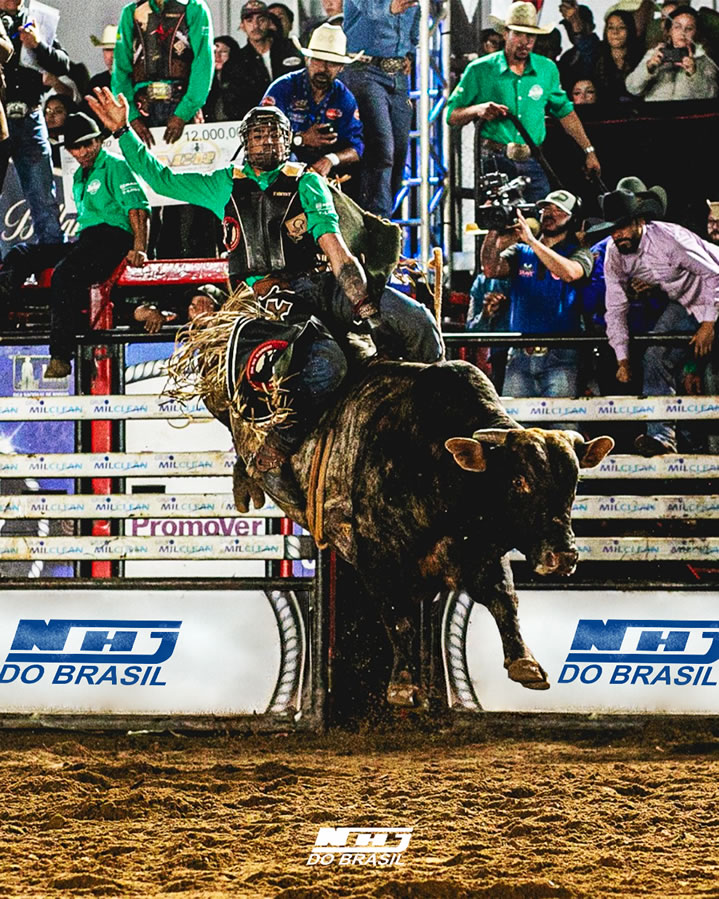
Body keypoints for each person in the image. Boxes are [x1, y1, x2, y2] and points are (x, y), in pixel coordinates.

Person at [87, 91, 443, 477]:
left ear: (287, 141)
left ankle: (436, 414)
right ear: (246, 142)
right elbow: (161, 178)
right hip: (270, 298)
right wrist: (123, 132)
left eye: (274, 134)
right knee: (328, 364)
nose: (266, 141)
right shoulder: (224, 185)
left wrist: (370, 313)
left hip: (322, 284)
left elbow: (337, 253)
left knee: (417, 319)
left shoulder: (307, 183)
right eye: (258, 135)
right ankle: (283, 439)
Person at [0, 113, 150, 376]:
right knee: (21, 254)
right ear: (69, 149)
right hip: (89, 240)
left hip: (114, 239)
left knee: (64, 274)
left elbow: (137, 208)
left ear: (99, 142)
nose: (83, 151)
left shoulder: (115, 165)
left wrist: (139, 247)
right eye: (76, 147)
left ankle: (60, 356)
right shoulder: (80, 175)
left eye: (88, 144)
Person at [591, 188, 719, 455]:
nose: (617, 235)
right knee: (655, 356)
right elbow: (615, 307)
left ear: (639, 222)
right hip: (686, 303)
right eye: (613, 229)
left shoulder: (670, 240)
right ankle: (662, 438)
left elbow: (714, 275)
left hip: (711, 295)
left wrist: (708, 323)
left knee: (691, 365)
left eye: (623, 227)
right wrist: (622, 358)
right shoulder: (615, 254)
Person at [446, 2, 601, 204]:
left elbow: (565, 112)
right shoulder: (480, 69)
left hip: (533, 158)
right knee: (499, 217)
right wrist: (478, 109)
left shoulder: (546, 69)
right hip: (494, 159)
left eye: (531, 36)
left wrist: (589, 151)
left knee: (540, 214)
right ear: (505, 33)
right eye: (518, 34)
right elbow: (451, 115)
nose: (525, 42)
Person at [480, 189, 593, 429]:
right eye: (546, 209)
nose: (550, 214)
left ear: (572, 219)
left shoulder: (579, 252)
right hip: (520, 353)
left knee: (563, 432)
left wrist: (532, 240)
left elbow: (570, 273)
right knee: (514, 431)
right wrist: (494, 227)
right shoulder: (521, 252)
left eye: (559, 210)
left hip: (561, 354)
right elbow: (490, 269)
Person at [338, 0, 419, 218]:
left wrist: (409, 52)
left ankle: (380, 218)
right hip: (363, 69)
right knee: (381, 149)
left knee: (399, 153)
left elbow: (415, 22)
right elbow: (372, 9)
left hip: (397, 75)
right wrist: (392, 7)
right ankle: (376, 221)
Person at [0, 0, 68, 246]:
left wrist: (38, 45)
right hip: (0, 117)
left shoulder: (36, 18)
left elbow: (63, 64)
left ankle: (52, 256)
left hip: (30, 115)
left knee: (42, 194)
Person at [262, 23, 363, 178]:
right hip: (280, 170)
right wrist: (300, 139)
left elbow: (357, 148)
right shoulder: (283, 87)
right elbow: (261, 135)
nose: (323, 69)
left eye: (332, 63)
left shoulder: (344, 97)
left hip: (324, 174)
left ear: (341, 67)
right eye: (317, 61)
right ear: (306, 59)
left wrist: (331, 160)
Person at [112, 0, 214, 148]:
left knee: (186, 159)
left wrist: (183, 113)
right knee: (141, 161)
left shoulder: (194, 7)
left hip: (181, 102)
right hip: (143, 107)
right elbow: (120, 69)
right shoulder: (131, 12)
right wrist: (132, 116)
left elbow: (203, 64)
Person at [626, 6, 719, 101]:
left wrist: (694, 73)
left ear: (696, 33)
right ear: (670, 31)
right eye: (677, 27)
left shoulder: (703, 59)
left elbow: (711, 95)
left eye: (689, 28)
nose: (683, 32)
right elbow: (632, 88)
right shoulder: (655, 54)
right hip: (655, 109)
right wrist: (648, 68)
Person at [234, 0, 303, 121]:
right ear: (242, 26)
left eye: (261, 20)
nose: (255, 26)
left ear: (269, 22)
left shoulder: (290, 50)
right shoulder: (236, 62)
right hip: (258, 124)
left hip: (295, 119)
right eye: (249, 21)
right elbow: (235, 104)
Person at [593, 10, 642, 104]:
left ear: (630, 30)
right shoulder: (597, 59)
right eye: (611, 27)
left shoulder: (640, 59)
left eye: (621, 27)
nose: (615, 32)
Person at [558, 2, 602, 88]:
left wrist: (577, 29)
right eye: (568, 26)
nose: (573, 29)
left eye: (579, 24)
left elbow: (587, 54)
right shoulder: (567, 57)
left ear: (592, 26)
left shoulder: (603, 49)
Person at [203, 35, 244, 122]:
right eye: (214, 52)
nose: (217, 56)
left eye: (223, 52)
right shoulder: (205, 80)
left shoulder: (241, 78)